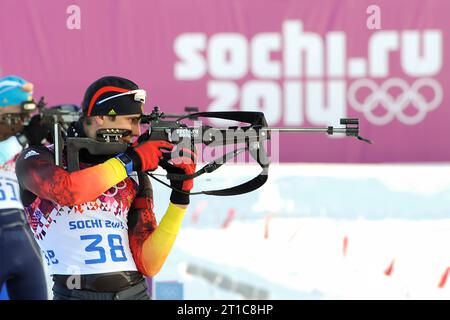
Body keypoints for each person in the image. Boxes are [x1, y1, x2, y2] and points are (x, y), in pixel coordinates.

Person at [15, 76, 196, 300]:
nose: (137, 131)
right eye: (131, 120)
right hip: (73, 294)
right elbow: (69, 191)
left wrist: (180, 198)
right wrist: (130, 160)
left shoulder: (131, 171)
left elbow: (149, 264)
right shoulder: (38, 158)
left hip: (135, 293)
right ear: (102, 116)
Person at [0, 75, 48, 300]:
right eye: (17, 116)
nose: (23, 122)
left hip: (23, 236)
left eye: (26, 116)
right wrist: (22, 139)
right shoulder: (14, 142)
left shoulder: (19, 142)